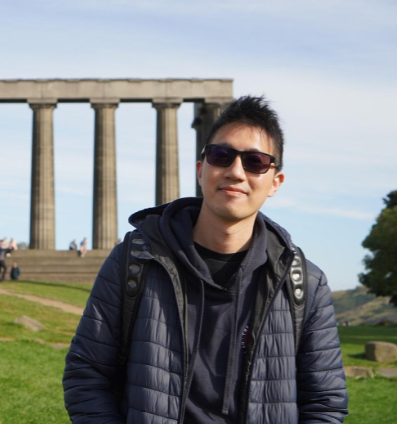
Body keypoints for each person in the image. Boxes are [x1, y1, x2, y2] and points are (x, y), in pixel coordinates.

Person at [63, 96, 348, 423]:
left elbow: (325, 403)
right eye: (221, 155)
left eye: (255, 161)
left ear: (275, 182)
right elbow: (87, 373)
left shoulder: (305, 284)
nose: (235, 172)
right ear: (201, 170)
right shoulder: (135, 260)